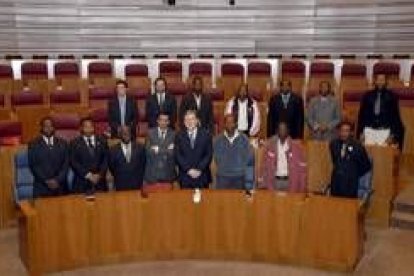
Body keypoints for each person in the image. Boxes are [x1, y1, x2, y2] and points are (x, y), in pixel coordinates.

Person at [357, 74, 404, 148]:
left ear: (385, 82)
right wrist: (360, 132)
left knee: (383, 157)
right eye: (378, 80)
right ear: (375, 81)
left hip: (385, 131)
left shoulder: (392, 96)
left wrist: (393, 135)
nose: (380, 82)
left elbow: (395, 117)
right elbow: (361, 116)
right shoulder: (367, 96)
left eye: (382, 80)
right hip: (369, 130)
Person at [258, 122, 307, 192]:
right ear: (277, 131)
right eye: (280, 129)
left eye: (284, 129)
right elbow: (263, 166)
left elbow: (303, 171)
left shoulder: (297, 147)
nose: (282, 132)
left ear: (288, 131)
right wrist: (262, 184)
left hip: (290, 182)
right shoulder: (270, 146)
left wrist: (303, 188)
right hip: (274, 182)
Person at [28, 117, 69, 198]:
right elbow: (33, 165)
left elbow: (66, 164)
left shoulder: (63, 143)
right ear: (41, 128)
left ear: (54, 128)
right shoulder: (33, 144)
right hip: (41, 187)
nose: (49, 128)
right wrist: (46, 181)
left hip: (61, 187)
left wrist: (57, 180)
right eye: (46, 126)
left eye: (51, 126)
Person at [330, 121, 372, 198]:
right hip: (336, 183)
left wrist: (353, 173)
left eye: (346, 131)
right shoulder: (333, 144)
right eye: (342, 130)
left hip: (350, 184)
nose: (344, 133)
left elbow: (366, 166)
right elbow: (335, 161)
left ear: (351, 133)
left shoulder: (358, 147)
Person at [213, 114, 253, 189]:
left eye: (232, 122)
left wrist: (240, 168)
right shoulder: (217, 140)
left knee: (239, 200)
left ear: (236, 124)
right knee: (222, 200)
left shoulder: (244, 139)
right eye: (227, 122)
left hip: (239, 177)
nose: (229, 125)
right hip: (223, 177)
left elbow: (249, 158)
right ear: (224, 125)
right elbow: (216, 158)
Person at [70, 117, 109, 194]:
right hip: (81, 182)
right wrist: (88, 175)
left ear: (93, 128)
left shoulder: (102, 141)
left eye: (90, 126)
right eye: (86, 126)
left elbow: (106, 159)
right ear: (81, 128)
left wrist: (99, 174)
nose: (89, 129)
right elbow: (73, 162)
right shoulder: (74, 143)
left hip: (100, 182)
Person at [175, 110, 212, 189]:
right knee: (184, 201)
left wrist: (199, 169)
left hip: (202, 176)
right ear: (184, 122)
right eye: (187, 120)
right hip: (185, 176)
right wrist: (188, 170)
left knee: (204, 201)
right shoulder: (179, 136)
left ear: (197, 120)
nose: (189, 122)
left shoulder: (206, 134)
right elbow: (178, 155)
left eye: (192, 119)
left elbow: (208, 155)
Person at [144, 112, 176, 191]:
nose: (163, 122)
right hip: (152, 174)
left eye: (166, 120)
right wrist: (166, 149)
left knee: (168, 201)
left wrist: (157, 149)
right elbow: (148, 151)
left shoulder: (174, 134)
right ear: (157, 121)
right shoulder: (150, 133)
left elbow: (173, 153)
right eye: (161, 120)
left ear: (168, 122)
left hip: (168, 174)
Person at [108, 126, 146, 191]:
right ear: (119, 135)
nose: (126, 135)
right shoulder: (113, 150)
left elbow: (143, 164)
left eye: (128, 133)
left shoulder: (140, 147)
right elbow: (112, 167)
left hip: (136, 183)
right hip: (120, 183)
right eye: (124, 133)